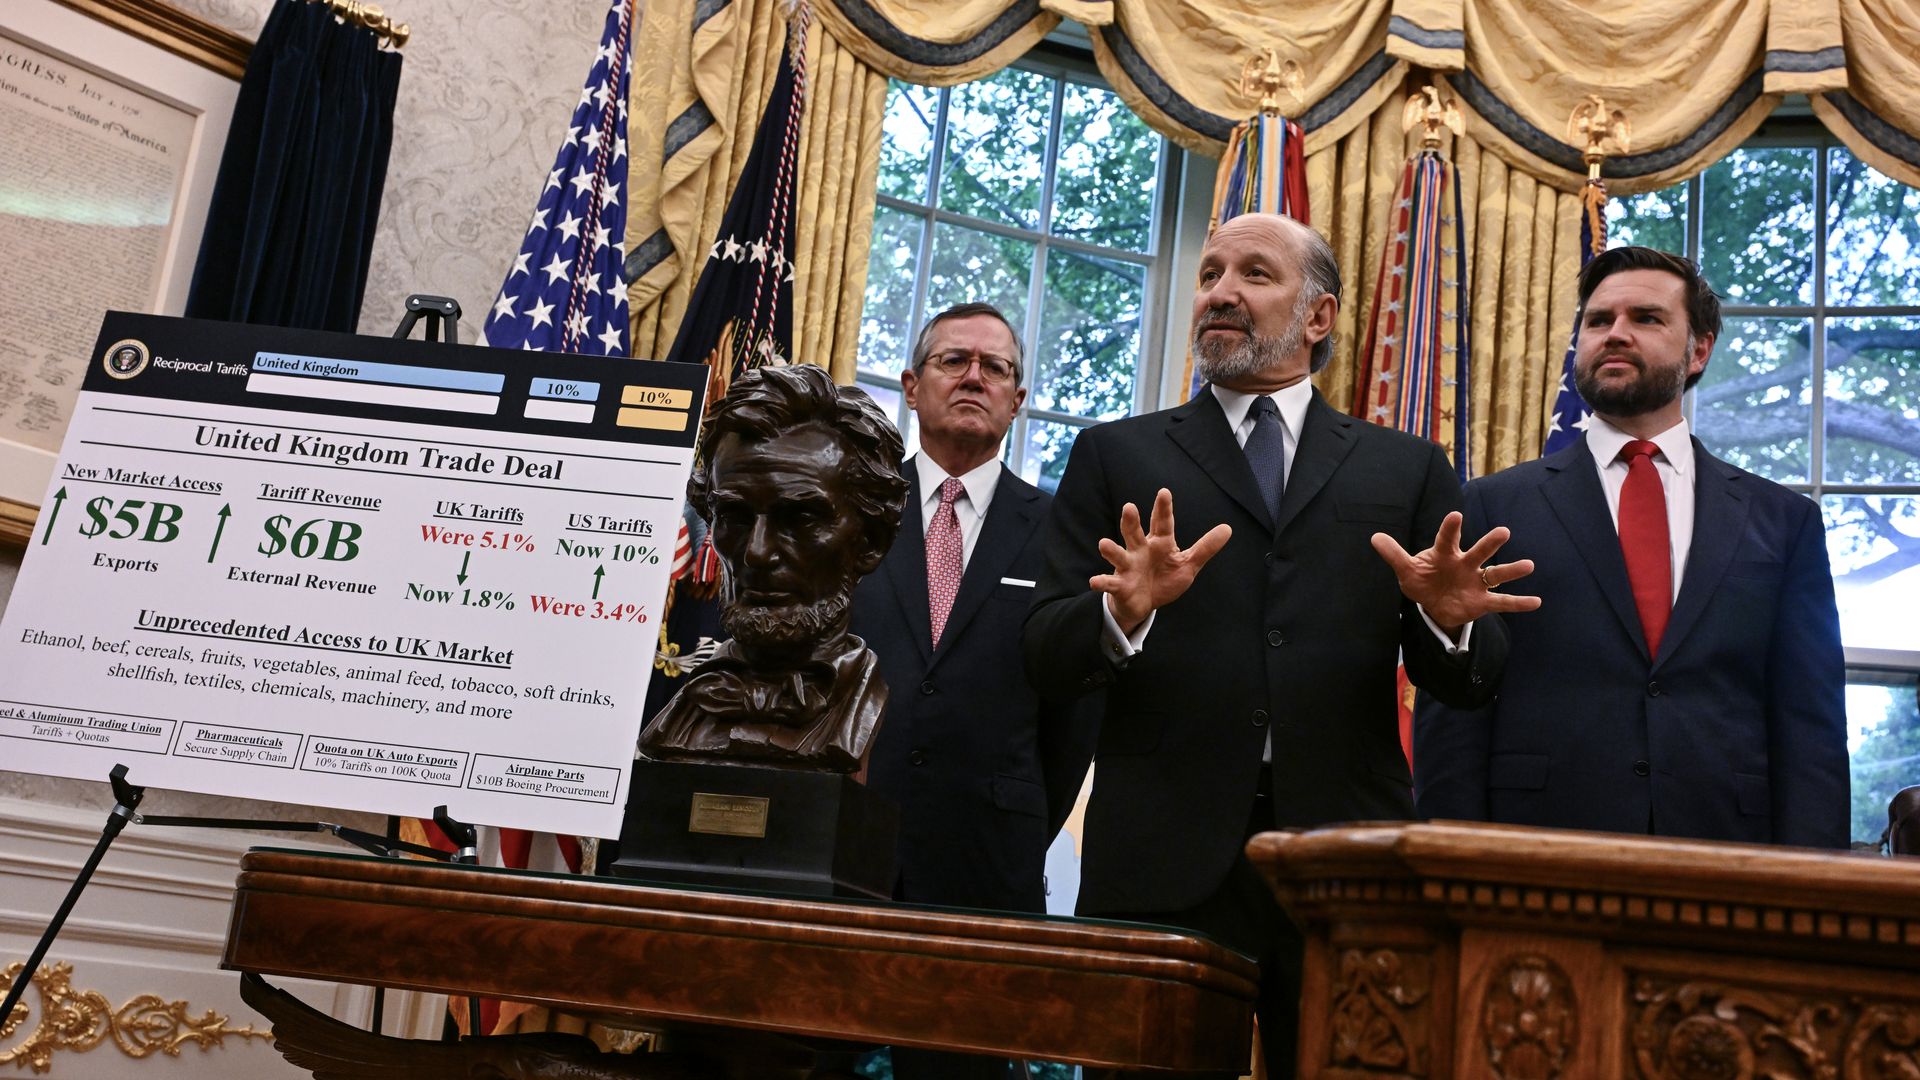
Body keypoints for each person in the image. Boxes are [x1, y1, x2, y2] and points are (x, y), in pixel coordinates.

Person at [1023, 212, 1528, 1078]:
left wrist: (1449, 622)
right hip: (1157, 859)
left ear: (1319, 316)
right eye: (1210, 274)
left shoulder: (1406, 468)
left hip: (1345, 864)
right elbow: (1044, 653)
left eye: (1254, 274)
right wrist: (1123, 615)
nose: (1221, 292)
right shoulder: (1115, 454)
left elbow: (1469, 685)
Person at [1412, 246, 1849, 848]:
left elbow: (1810, 723)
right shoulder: (1494, 506)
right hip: (1536, 848)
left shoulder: (1783, 521)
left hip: (1727, 849)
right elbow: (1458, 714)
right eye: (1598, 320)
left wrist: (1812, 878)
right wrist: (1449, 862)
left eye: (1646, 318)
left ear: (1699, 350)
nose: (1615, 333)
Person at [850, 303, 1098, 1080]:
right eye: (953, 360)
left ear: (1017, 401)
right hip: (843, 854)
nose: (974, 377)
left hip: (988, 869)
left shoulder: (1061, 531)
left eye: (995, 368)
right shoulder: (847, 513)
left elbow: (1074, 712)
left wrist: (1017, 813)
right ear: (911, 385)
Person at [641, 364, 908, 772]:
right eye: (735, 516)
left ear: (870, 542)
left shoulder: (864, 707)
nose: (757, 553)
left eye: (800, 520)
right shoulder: (679, 715)